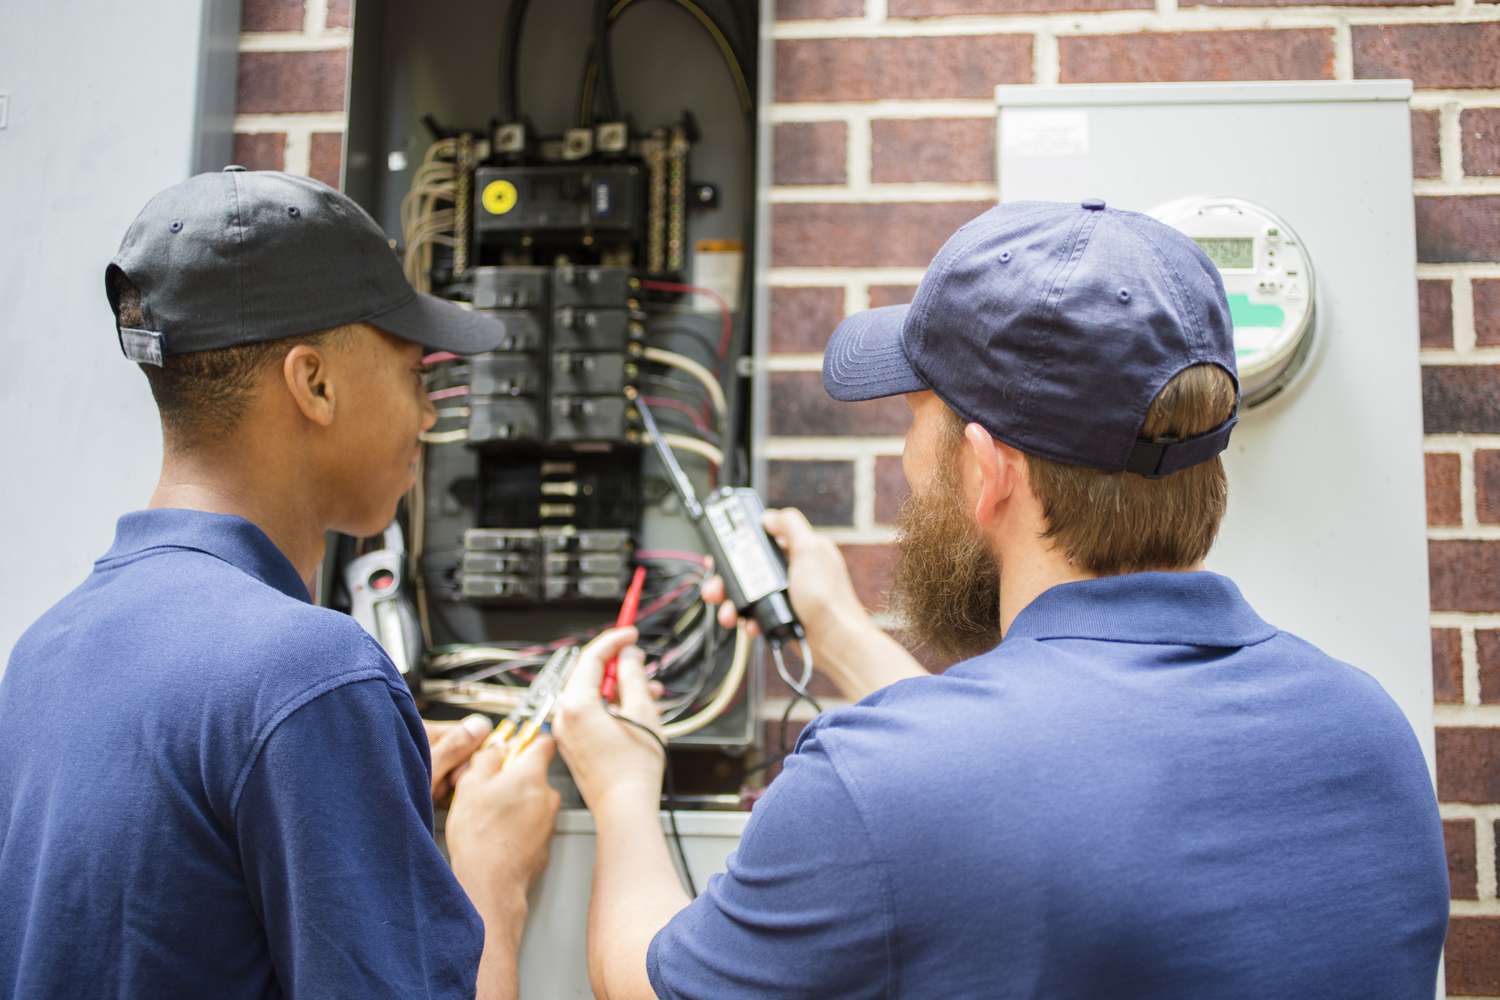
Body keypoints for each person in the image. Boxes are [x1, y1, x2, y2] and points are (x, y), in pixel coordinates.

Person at [552, 200, 1450, 999]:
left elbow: (645, 980)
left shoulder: (882, 782)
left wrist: (623, 784)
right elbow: (1033, 778)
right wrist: (837, 632)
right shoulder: (1369, 732)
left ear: (988, 471)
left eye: (914, 419)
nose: (908, 460)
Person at [0, 168, 563, 999]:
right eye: (414, 373)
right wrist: (492, 874)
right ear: (315, 383)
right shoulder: (312, 677)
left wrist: (362, 773)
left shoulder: (46, 649)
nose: (428, 415)